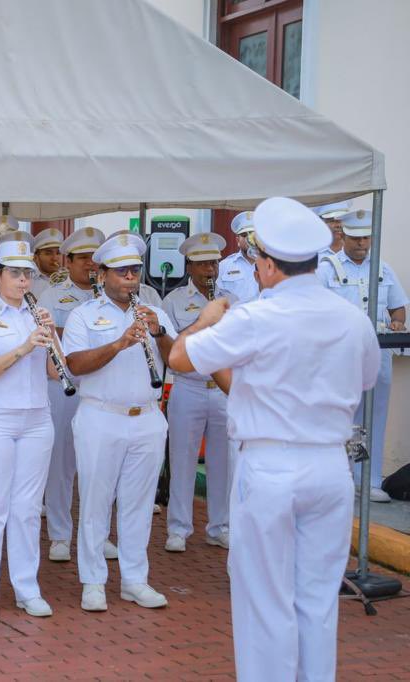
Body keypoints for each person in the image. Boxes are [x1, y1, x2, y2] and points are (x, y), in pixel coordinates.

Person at [169, 196, 380, 682]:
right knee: (318, 597)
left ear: (266, 265)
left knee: (265, 598)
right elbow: (365, 379)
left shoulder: (256, 317)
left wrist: (204, 320)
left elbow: (180, 359)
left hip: (270, 465)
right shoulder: (352, 317)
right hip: (330, 465)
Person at [63, 233, 176, 613]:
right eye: (123, 271)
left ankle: (134, 580)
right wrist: (118, 343)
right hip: (101, 417)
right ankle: (92, 581)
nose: (131, 278)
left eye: (135, 271)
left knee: (139, 505)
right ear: (103, 274)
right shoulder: (83, 314)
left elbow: (177, 359)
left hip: (146, 417)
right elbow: (74, 365)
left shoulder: (154, 313)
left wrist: (157, 334)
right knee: (96, 502)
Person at [0, 237, 57, 619]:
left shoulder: (37, 314)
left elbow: (55, 371)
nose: (23, 281)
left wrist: (53, 339)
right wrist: (23, 347)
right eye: (15, 273)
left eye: (27, 274)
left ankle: (26, 587)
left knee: (28, 508)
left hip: (37, 418)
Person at [317, 208, 407, 502]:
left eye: (366, 238)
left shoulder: (382, 267)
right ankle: (337, 476)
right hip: (339, 354)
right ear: (343, 235)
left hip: (376, 352)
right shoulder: (326, 268)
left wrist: (397, 322)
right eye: (356, 238)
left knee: (372, 416)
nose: (361, 244)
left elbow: (397, 306)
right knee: (340, 415)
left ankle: (366, 478)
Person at [36, 227, 109, 563]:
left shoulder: (112, 296)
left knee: (99, 466)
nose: (90, 266)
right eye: (83, 260)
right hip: (64, 387)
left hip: (101, 387)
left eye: (96, 260)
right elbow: (52, 336)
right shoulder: (53, 295)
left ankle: (99, 534)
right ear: (70, 261)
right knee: (61, 464)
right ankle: (60, 534)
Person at [162, 233, 232, 552]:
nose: (210, 269)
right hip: (188, 386)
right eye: (203, 263)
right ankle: (178, 527)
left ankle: (219, 525)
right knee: (183, 458)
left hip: (222, 390)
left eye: (214, 262)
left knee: (222, 461)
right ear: (189, 266)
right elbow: (175, 347)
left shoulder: (231, 299)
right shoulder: (173, 301)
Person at [216, 212, 260, 304]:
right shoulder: (224, 266)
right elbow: (218, 298)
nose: (249, 239)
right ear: (237, 240)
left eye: (253, 235)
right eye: (244, 235)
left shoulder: (270, 264)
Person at [30, 227, 64, 297]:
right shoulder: (28, 280)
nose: (54, 258)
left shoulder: (68, 279)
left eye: (58, 253)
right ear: (35, 257)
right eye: (48, 253)